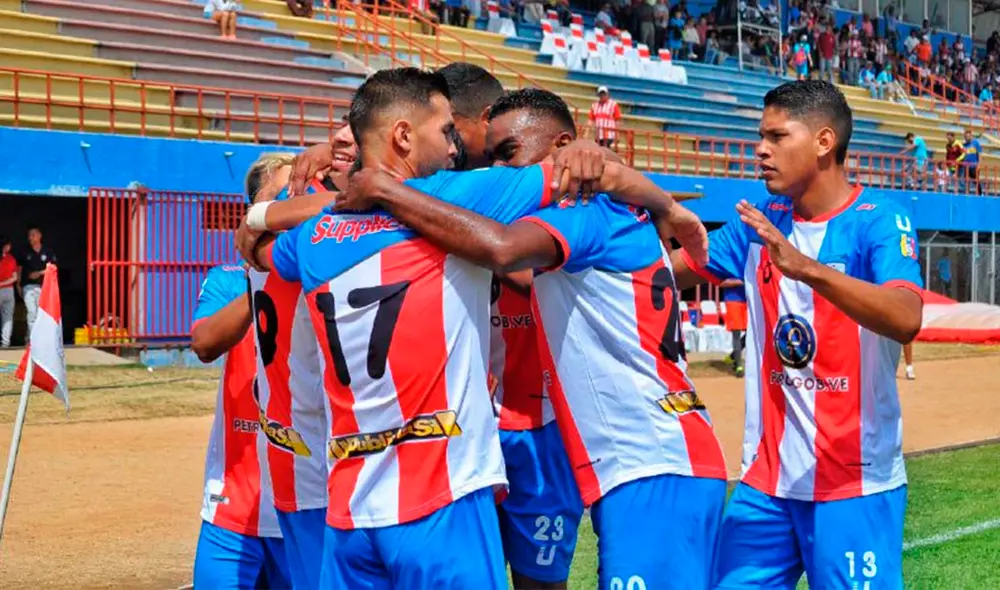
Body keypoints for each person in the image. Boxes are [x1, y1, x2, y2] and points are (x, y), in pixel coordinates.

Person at [332, 88, 727, 590]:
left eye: (507, 154)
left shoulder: (584, 213)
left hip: (652, 463)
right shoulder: (607, 209)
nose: (499, 171)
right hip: (653, 458)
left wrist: (385, 191)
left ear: (564, 147)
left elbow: (498, 250)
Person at [670, 80, 923, 589]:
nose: (761, 149)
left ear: (824, 142)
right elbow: (663, 274)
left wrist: (808, 269)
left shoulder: (879, 221)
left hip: (855, 480)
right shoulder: (757, 224)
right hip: (766, 482)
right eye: (760, 136)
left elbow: (905, 315)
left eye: (777, 136)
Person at [244, 151, 332, 590]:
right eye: (288, 189)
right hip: (315, 457)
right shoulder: (298, 252)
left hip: (289, 449)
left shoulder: (260, 252)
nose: (300, 192)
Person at [190, 263, 290, 588]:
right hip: (230, 507)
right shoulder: (229, 279)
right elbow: (204, 344)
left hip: (304, 510)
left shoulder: (319, 275)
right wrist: (259, 283)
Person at [18, 227, 56, 341]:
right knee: (31, 312)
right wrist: (18, 285)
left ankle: (34, 339)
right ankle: (32, 340)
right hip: (28, 286)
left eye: (33, 235)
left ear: (40, 235)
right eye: (29, 235)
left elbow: (53, 268)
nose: (30, 238)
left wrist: (39, 273)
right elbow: (19, 268)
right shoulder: (24, 251)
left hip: (43, 287)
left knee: (41, 314)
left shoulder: (47, 251)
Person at [721, 279, 747, 376]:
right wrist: (743, 281)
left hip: (749, 300)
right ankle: (738, 366)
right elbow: (721, 283)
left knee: (752, 334)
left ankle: (733, 355)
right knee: (736, 334)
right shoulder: (728, 264)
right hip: (733, 300)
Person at [0, 235, 17, 348]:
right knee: (8, 318)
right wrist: (4, 283)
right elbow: (14, 277)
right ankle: (5, 343)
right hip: (9, 290)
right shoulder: (11, 259)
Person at [961, 129, 982, 194]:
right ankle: (967, 193)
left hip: (974, 166)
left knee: (976, 181)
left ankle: (980, 194)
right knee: (967, 181)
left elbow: (979, 154)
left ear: (971, 136)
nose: (967, 138)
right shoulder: (964, 145)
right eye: (966, 136)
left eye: (968, 136)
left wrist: (979, 164)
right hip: (966, 166)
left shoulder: (976, 143)